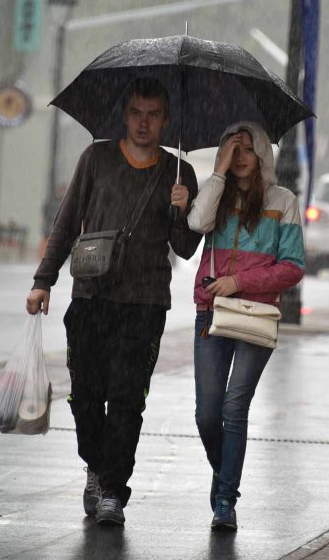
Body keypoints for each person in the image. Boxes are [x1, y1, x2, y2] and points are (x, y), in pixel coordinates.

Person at [25, 77, 202, 527]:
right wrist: (43, 281)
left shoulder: (178, 173)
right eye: (137, 113)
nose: (144, 123)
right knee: (86, 395)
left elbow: (183, 248)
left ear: (166, 120)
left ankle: (112, 493)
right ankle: (97, 466)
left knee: (127, 399)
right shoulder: (96, 158)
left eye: (154, 115)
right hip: (91, 298)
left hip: (144, 304)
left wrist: (183, 209)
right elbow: (66, 224)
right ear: (125, 116)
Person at [187, 121, 304, 531]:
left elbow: (292, 266)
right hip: (212, 313)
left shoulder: (282, 200)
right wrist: (216, 174)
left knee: (234, 407)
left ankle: (224, 501)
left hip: (256, 315)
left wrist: (240, 281)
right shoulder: (215, 193)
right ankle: (225, 477)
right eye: (231, 149)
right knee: (206, 414)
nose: (239, 158)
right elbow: (196, 224)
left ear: (262, 156)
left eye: (247, 150)